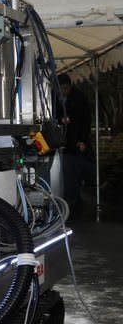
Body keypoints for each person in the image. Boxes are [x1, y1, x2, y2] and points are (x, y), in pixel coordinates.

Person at [57, 73, 92, 218]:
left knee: (73, 176)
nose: (63, 91)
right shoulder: (57, 97)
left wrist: (82, 140)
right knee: (67, 176)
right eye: (61, 89)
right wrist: (60, 118)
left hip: (75, 144)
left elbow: (86, 121)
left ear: (69, 86)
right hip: (64, 143)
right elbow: (56, 113)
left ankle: (74, 205)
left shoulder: (80, 98)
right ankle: (70, 204)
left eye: (65, 88)